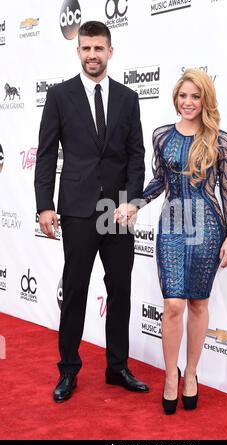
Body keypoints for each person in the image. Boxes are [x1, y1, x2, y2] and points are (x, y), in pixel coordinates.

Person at [34, 21, 148, 402]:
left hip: (115, 210)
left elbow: (136, 155)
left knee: (120, 289)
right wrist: (45, 205)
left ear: (110, 51)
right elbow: (47, 154)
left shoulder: (129, 98)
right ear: (78, 51)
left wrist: (132, 201)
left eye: (99, 48)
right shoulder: (59, 96)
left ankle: (117, 368)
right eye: (86, 48)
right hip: (79, 208)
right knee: (76, 289)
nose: (92, 55)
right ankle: (68, 370)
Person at [139, 69, 227, 414]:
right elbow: (159, 182)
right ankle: (170, 375)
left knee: (197, 303)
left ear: (205, 99)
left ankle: (191, 374)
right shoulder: (162, 136)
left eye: (196, 96)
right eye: (183, 96)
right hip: (173, 223)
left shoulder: (220, 140)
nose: (188, 102)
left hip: (208, 226)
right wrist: (132, 204)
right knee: (173, 305)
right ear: (175, 98)